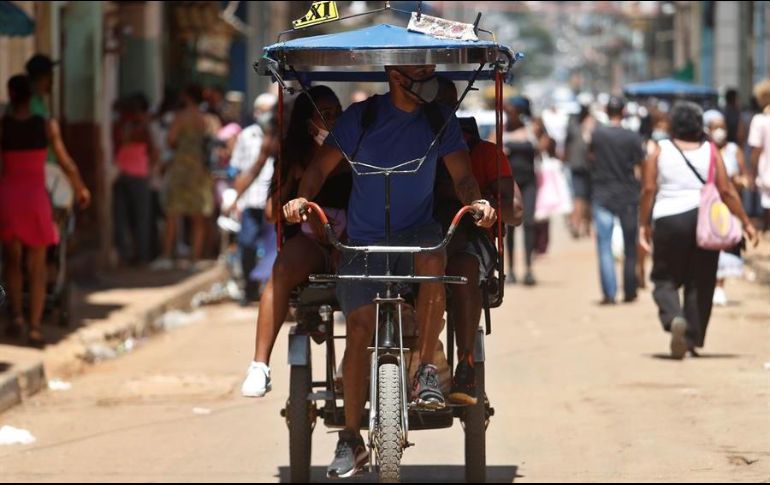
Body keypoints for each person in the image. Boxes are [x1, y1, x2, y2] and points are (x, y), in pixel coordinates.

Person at [283, 65, 496, 479]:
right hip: (362, 243)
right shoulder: (360, 119)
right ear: (396, 74)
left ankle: (428, 371)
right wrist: (301, 200)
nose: (428, 75)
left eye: (431, 67)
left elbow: (464, 178)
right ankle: (350, 438)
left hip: (417, 235)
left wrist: (478, 203)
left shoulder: (440, 120)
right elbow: (318, 171)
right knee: (359, 328)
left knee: (435, 257)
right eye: (420, 69)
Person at [240, 86, 349, 397]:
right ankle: (260, 365)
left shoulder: (358, 149)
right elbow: (271, 213)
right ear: (308, 122)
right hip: (311, 239)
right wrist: (292, 183)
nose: (333, 120)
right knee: (282, 269)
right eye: (325, 115)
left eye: (337, 114)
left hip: (355, 238)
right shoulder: (291, 154)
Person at [639, 101, 758, 359]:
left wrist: (643, 224)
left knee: (664, 278)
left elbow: (648, 188)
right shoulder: (711, 151)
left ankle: (673, 319)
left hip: (668, 220)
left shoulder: (660, 150)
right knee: (701, 281)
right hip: (705, 221)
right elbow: (726, 190)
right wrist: (746, 222)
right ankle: (691, 337)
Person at [434, 77, 522, 405]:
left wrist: (487, 205)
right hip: (413, 236)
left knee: (464, 270)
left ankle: (465, 362)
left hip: (466, 240)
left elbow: (515, 211)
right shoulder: (399, 145)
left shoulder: (482, 152)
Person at [0, 74, 90, 346]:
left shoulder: (3, 126)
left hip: (9, 196)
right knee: (37, 267)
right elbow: (66, 163)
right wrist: (81, 188)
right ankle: (35, 325)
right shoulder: (47, 126)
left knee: (13, 262)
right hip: (35, 197)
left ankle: (16, 316)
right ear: (32, 96)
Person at [589, 97, 645, 305]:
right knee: (630, 245)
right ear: (623, 111)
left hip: (602, 193)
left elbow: (591, 159)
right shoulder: (632, 136)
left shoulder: (598, 134)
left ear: (606, 110)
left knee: (604, 246)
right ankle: (629, 290)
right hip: (628, 195)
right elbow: (641, 165)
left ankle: (609, 294)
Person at [154, 85, 213, 269]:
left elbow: (171, 140)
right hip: (199, 169)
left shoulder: (180, 117)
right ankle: (195, 259)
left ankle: (166, 256)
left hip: (180, 166)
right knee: (198, 215)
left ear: (186, 96)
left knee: (172, 212)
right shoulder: (205, 119)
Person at [227, 93, 278, 305]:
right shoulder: (247, 136)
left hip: (275, 203)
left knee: (275, 250)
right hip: (252, 201)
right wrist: (234, 198)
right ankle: (249, 289)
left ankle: (272, 291)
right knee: (246, 244)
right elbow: (239, 170)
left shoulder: (280, 134)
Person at [703, 110, 750, 306]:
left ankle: (719, 286)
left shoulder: (733, 150)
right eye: (716, 127)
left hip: (728, 209)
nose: (720, 131)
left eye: (722, 126)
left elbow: (744, 177)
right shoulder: (703, 150)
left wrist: (736, 182)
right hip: (708, 209)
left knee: (725, 247)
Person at [112, 93, 157, 266]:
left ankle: (130, 255)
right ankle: (140, 256)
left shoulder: (121, 125)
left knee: (124, 218)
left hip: (125, 175)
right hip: (137, 176)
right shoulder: (140, 127)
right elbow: (153, 151)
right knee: (139, 218)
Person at [499, 96, 538, 286]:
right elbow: (491, 146)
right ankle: (512, 270)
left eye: (512, 110)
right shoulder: (501, 130)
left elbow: (547, 145)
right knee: (511, 225)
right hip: (510, 183)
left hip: (529, 182)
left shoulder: (532, 128)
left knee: (529, 222)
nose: (509, 113)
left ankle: (529, 268)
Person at [565, 103, 596, 238]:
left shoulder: (592, 124)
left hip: (589, 166)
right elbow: (567, 144)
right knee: (579, 196)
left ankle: (586, 226)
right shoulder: (573, 125)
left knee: (587, 197)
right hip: (577, 165)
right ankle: (577, 224)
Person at [748, 79, 770, 232]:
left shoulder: (760, 120)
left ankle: (766, 229)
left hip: (767, 168)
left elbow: (756, 149)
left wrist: (752, 170)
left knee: (767, 202)